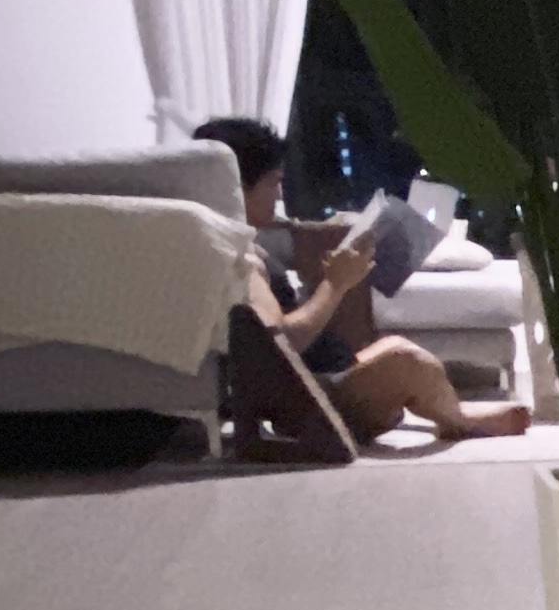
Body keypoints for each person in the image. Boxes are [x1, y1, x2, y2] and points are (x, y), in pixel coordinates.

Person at [192, 116, 531, 450]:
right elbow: (280, 343)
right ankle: (459, 420)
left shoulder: (235, 245)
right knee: (407, 360)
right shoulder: (241, 260)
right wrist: (335, 284)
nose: (278, 194)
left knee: (395, 346)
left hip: (320, 378)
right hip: (312, 397)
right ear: (238, 188)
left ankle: (448, 410)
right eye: (272, 182)